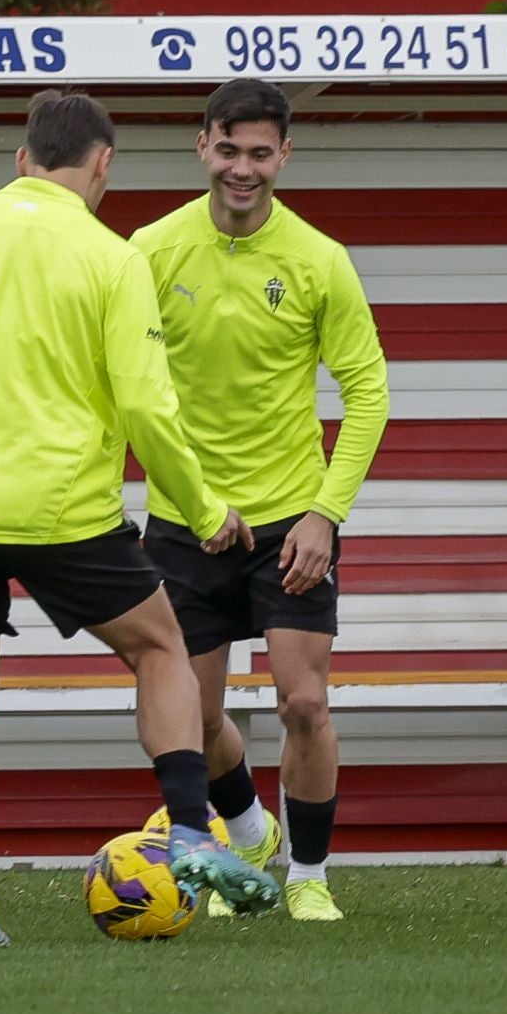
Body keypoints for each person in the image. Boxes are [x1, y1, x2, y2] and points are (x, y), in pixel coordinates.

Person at [0, 89, 280, 947]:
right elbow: (147, 403)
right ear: (102, 166)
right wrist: (207, 505)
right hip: (64, 510)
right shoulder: (111, 258)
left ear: (21, 160)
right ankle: (185, 827)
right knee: (161, 647)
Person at [131, 79, 390, 921]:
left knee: (303, 702)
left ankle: (309, 878)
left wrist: (326, 513)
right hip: (186, 521)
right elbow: (121, 389)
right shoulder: (149, 251)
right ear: (201, 146)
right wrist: (182, 499)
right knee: (196, 720)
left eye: (261, 153)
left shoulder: (319, 259)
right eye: (230, 150)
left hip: (288, 522)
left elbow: (369, 393)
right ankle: (247, 832)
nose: (244, 169)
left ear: (285, 156)